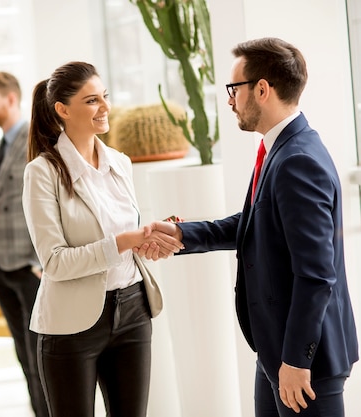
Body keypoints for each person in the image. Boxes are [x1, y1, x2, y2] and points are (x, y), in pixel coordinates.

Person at [141, 37, 359, 417]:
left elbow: (316, 275)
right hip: (274, 350)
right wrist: (181, 234)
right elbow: (258, 224)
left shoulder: (297, 160)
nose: (229, 100)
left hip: (303, 362)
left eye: (233, 89)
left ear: (262, 89)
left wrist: (295, 361)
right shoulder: (281, 149)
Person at [22, 61, 183, 417]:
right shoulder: (42, 173)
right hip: (71, 324)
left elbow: (125, 238)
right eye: (92, 100)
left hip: (133, 310)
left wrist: (149, 241)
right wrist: (124, 242)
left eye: (104, 97)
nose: (106, 108)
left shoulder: (120, 163)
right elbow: (55, 262)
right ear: (62, 110)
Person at [0, 71, 49, 416]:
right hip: (0, 266)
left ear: (10, 99)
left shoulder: (35, 139)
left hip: (29, 267)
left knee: (41, 357)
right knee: (24, 357)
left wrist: (43, 260)